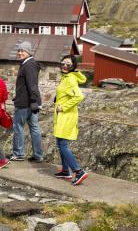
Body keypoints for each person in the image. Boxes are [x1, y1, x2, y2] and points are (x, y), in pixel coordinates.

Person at [53, 54, 88, 185]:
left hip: (66, 116)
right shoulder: (65, 76)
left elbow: (79, 96)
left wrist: (63, 107)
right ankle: (65, 171)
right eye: (63, 63)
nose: (65, 66)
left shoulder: (70, 79)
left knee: (62, 144)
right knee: (60, 142)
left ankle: (78, 171)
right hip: (62, 116)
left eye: (68, 64)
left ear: (73, 66)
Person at [10, 41, 44, 162]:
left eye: (22, 51)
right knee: (34, 128)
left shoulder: (28, 65)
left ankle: (19, 154)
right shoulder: (29, 64)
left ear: (28, 52)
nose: (20, 53)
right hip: (30, 102)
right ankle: (38, 155)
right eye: (19, 50)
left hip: (26, 103)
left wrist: (34, 100)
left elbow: (32, 85)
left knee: (18, 127)